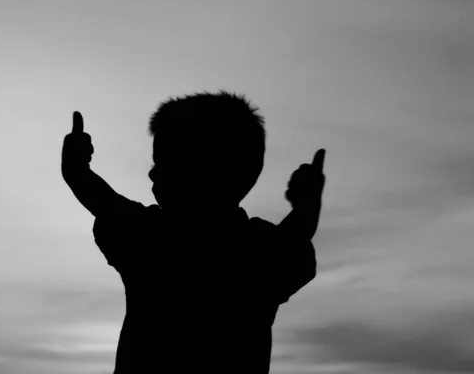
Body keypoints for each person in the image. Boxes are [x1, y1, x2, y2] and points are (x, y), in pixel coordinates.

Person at [61, 91, 326, 374]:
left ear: (202, 168)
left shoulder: (152, 239)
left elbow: (104, 203)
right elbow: (295, 238)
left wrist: (77, 172)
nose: (152, 173)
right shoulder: (259, 250)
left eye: (163, 163)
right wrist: (307, 206)